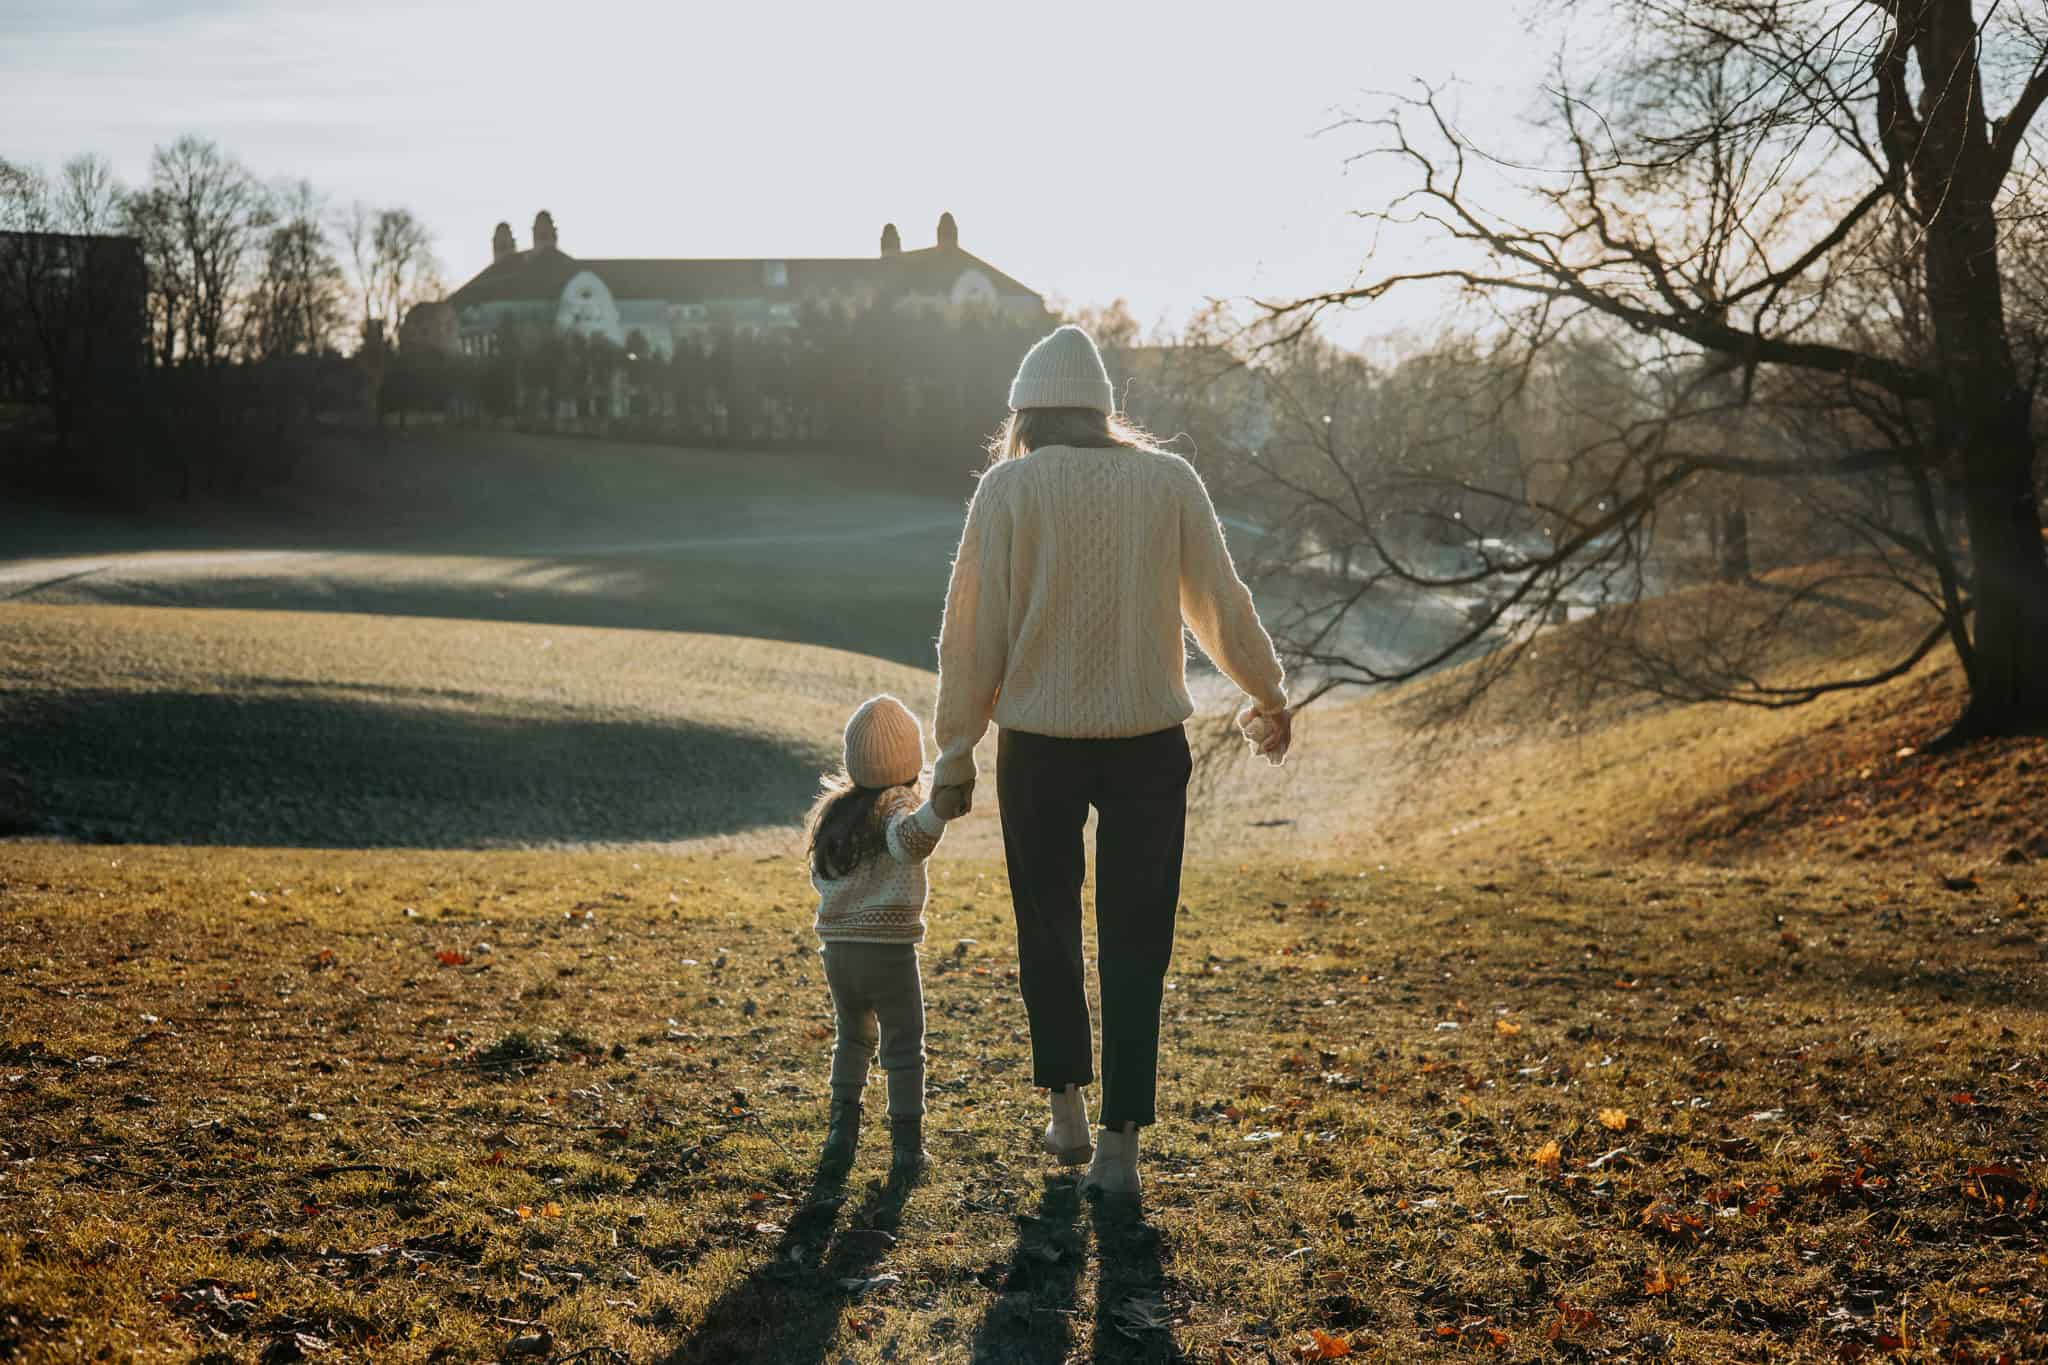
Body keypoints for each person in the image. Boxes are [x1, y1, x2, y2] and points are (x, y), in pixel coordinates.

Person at [929, 324, 1293, 1199]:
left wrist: (955, 747)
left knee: (1046, 925)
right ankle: (1121, 1148)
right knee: (1139, 938)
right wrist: (1268, 691)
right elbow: (1220, 600)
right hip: (1146, 746)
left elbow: (971, 631)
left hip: (1037, 746)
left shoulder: (1008, 488)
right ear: (1102, 410)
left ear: (1026, 415)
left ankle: (1066, 1110)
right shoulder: (1168, 480)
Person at [805, 694, 957, 1174]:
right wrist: (938, 810)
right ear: (909, 760)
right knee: (903, 1044)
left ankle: (840, 1133)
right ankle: (907, 1147)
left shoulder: (836, 812)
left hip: (838, 951)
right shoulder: (898, 804)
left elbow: (821, 875)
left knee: (852, 1037)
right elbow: (908, 843)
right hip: (887, 952)